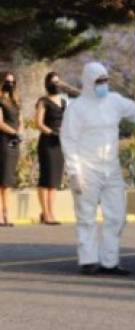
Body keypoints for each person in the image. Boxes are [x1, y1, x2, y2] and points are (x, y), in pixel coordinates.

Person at [61, 61, 135, 275]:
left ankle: (110, 262)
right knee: (86, 217)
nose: (103, 84)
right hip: (87, 170)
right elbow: (68, 141)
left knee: (116, 216)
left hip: (111, 168)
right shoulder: (77, 109)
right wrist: (74, 172)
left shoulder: (114, 101)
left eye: (105, 80)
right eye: (99, 81)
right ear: (88, 82)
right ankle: (88, 261)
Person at [35, 72, 79, 225]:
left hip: (60, 144)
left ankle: (51, 212)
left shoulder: (64, 101)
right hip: (47, 142)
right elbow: (38, 123)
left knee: (54, 180)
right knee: (45, 178)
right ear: (47, 84)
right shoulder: (43, 101)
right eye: (53, 82)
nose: (56, 85)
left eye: (58, 82)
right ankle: (45, 213)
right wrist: (52, 132)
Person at [0, 71, 23, 227]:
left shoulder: (15, 102)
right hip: (2, 141)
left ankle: (7, 215)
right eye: (7, 81)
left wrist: (20, 132)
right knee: (1, 180)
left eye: (12, 82)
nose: (10, 84)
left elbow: (20, 120)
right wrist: (14, 132)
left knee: (8, 182)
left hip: (14, 142)